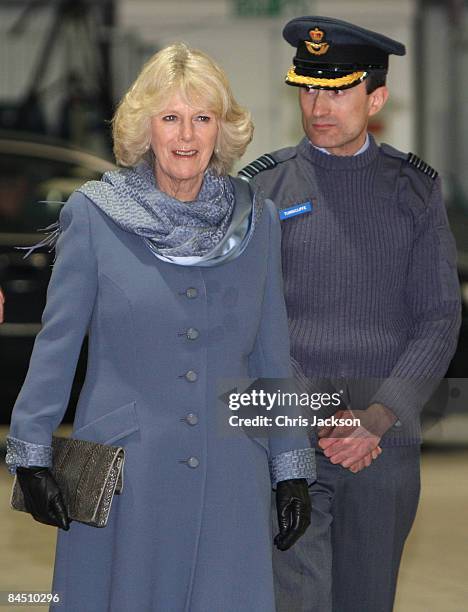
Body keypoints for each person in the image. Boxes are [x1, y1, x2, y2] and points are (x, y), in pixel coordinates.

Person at [5, 43, 315, 612]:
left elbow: (273, 354)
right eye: (170, 117)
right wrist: (31, 453)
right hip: (127, 480)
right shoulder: (94, 214)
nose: (186, 135)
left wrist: (289, 466)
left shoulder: (258, 222)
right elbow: (58, 345)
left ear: (223, 131)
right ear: (144, 129)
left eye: (203, 118)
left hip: (229, 478)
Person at [239, 16, 461, 612]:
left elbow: (439, 316)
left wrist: (381, 415)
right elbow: (250, 319)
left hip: (383, 446)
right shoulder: (264, 190)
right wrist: (312, 414)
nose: (319, 105)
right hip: (287, 435)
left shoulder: (413, 191)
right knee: (296, 599)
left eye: (337, 90)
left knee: (366, 600)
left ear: (377, 97)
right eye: (309, 88)